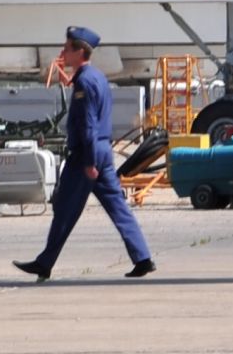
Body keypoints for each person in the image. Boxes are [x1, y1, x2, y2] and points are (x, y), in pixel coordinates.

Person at [13, 26, 155, 281]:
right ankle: (143, 258)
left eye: (67, 48)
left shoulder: (84, 82)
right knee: (118, 207)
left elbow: (87, 125)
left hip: (86, 155)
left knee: (64, 207)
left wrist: (89, 162)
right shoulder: (98, 77)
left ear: (80, 52)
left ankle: (45, 263)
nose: (62, 53)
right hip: (103, 150)